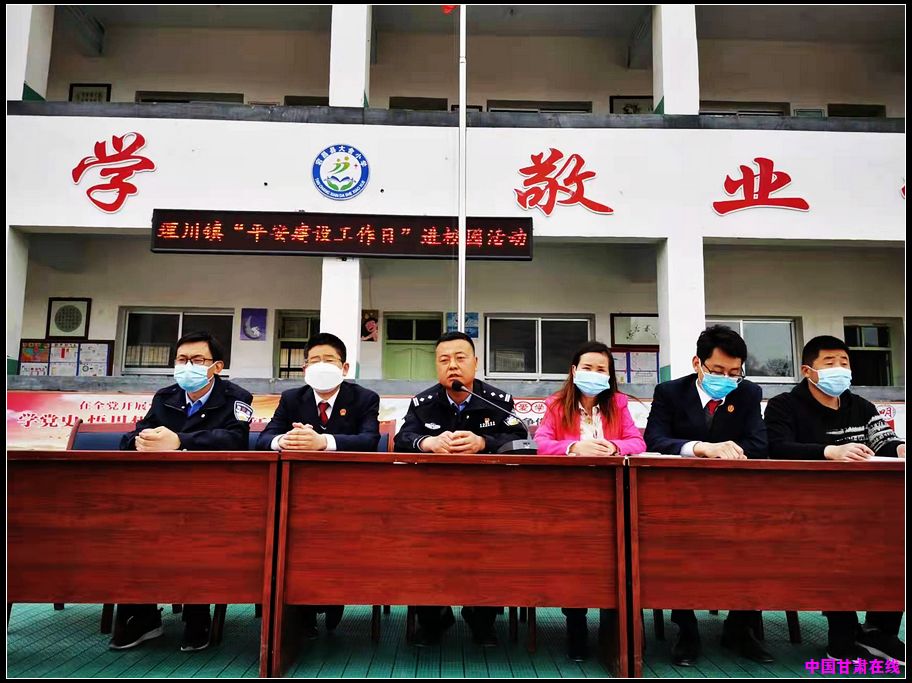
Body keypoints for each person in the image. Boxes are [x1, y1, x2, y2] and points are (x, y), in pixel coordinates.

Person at [764, 335, 905, 664]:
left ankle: (879, 631)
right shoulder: (784, 405)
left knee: (895, 540)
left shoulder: (861, 406)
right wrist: (829, 451)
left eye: (844, 363)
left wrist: (900, 448)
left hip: (864, 508)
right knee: (835, 544)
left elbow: (884, 441)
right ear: (808, 371)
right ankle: (842, 636)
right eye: (830, 363)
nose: (839, 369)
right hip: (805, 511)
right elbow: (777, 447)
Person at [113, 331, 253, 653]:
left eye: (197, 360)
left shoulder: (236, 397)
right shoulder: (165, 396)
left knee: (198, 534)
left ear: (217, 366)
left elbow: (235, 439)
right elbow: (138, 432)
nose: (188, 366)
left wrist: (181, 441)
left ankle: (197, 615)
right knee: (130, 528)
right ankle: (143, 616)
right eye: (181, 359)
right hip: (159, 495)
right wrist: (141, 441)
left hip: (212, 497)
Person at [644, 325, 772, 666]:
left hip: (735, 498)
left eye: (734, 373)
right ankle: (686, 629)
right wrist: (700, 448)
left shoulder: (747, 393)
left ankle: (740, 627)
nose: (726, 379)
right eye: (717, 371)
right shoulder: (670, 392)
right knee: (675, 548)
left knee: (758, 543)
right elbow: (655, 439)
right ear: (697, 364)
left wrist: (730, 450)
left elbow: (759, 444)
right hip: (678, 499)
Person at [394, 331, 527, 648]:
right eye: (444, 360)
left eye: (460, 358)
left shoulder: (496, 401)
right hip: (431, 502)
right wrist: (427, 443)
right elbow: (401, 440)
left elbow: (522, 441)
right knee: (421, 549)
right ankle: (433, 619)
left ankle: (481, 618)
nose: (452, 365)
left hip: (487, 502)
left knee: (493, 550)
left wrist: (484, 442)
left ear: (475, 363)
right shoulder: (423, 403)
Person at [257, 331, 380, 638]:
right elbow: (264, 439)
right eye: (314, 360)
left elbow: (369, 440)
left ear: (345, 368)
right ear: (304, 368)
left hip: (348, 494)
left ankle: (331, 598)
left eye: (329, 360)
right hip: (297, 495)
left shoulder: (364, 398)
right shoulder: (292, 398)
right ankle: (302, 612)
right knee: (290, 536)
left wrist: (323, 442)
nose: (321, 365)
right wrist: (286, 440)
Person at [534, 340, 646, 661]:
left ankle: (613, 629)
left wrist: (613, 446)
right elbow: (541, 443)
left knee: (615, 557)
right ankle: (576, 624)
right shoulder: (557, 404)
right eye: (587, 368)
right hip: (569, 498)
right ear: (574, 371)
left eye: (601, 369)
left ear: (609, 376)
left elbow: (637, 442)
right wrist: (574, 447)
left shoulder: (619, 404)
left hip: (613, 494)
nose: (594, 374)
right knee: (574, 561)